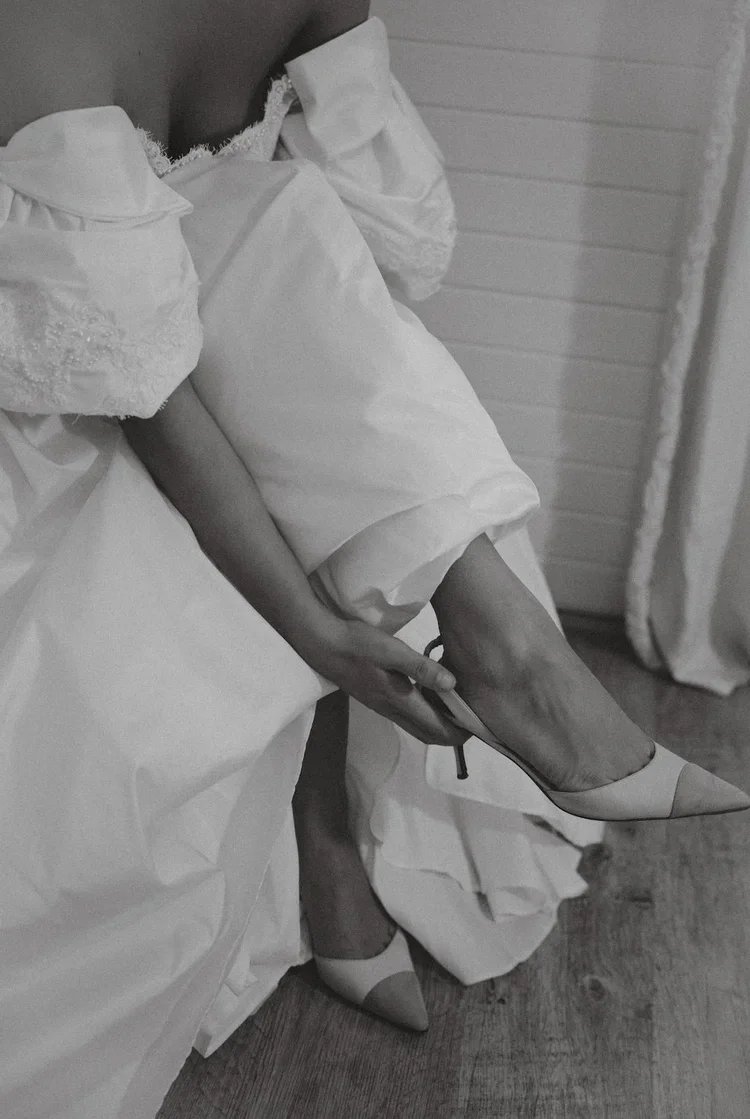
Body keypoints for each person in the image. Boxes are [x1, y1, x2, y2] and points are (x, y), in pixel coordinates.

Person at [1, 2, 747, 1116]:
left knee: (282, 224)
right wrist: (313, 626)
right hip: (62, 356)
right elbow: (130, 377)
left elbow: (393, 245)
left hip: (229, 328)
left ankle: (443, 708)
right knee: (276, 267)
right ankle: (464, 698)